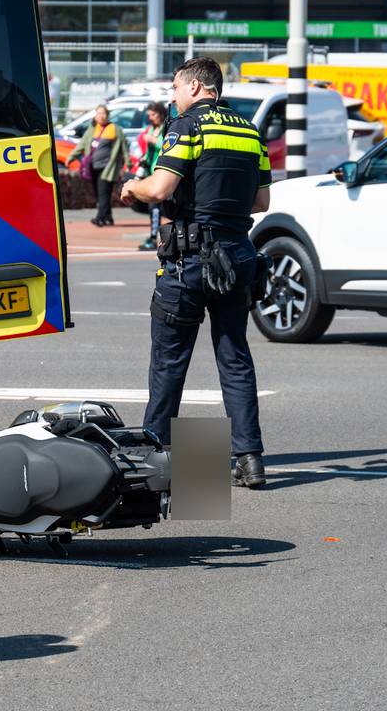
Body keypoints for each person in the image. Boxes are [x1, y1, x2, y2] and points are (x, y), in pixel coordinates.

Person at [121, 57, 271, 489]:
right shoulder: (249, 130)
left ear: (193, 87)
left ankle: (156, 463)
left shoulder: (187, 126)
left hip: (189, 261)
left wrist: (133, 186)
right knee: (235, 358)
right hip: (237, 258)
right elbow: (260, 202)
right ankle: (249, 460)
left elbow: (161, 188)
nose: (172, 96)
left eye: (174, 88)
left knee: (170, 362)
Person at [67, 105, 126, 226]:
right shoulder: (92, 129)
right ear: (95, 115)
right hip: (92, 167)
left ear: (108, 115)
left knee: (104, 193)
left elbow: (123, 147)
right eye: (99, 113)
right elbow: (82, 144)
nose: (101, 116)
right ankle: (108, 217)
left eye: (103, 113)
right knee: (100, 193)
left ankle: (100, 218)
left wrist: (128, 163)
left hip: (107, 167)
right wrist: (71, 157)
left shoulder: (114, 129)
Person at [135, 101, 169, 251]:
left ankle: (154, 236)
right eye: (149, 115)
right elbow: (147, 151)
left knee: (155, 206)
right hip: (150, 171)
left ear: (161, 114)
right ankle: (154, 235)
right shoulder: (150, 129)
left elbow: (167, 145)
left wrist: (154, 141)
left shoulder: (166, 128)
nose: (151, 117)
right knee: (153, 207)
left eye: (153, 114)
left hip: (161, 171)